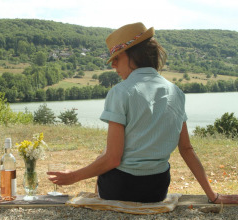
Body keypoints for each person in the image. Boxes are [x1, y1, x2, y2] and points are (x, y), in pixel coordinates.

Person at [47, 22, 238, 204]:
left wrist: (73, 176)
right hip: (156, 190)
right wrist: (212, 195)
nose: (113, 65)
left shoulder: (120, 92)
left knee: (105, 154)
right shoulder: (176, 92)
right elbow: (186, 149)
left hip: (119, 188)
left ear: (133, 56)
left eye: (117, 58)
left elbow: (113, 158)